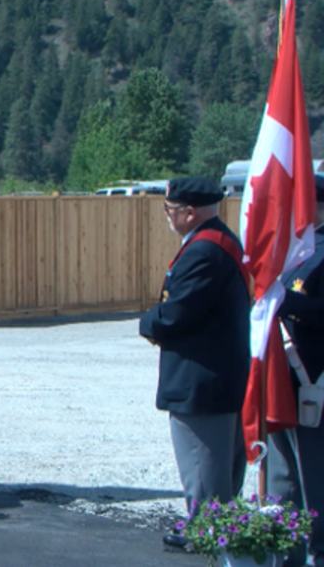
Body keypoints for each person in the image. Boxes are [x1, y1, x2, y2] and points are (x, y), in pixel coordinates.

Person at [139, 176, 250, 550]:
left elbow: (176, 313)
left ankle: (209, 534)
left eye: (169, 209)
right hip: (217, 373)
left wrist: (148, 323)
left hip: (200, 378)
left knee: (204, 463)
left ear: (189, 213)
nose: (167, 216)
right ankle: (215, 528)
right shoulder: (220, 240)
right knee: (218, 465)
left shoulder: (204, 250)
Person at [270, 174, 324, 567]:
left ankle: (317, 552)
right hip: (284, 378)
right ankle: (287, 551)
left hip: (313, 378)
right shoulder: (296, 250)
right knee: (283, 474)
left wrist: (284, 300)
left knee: (314, 477)